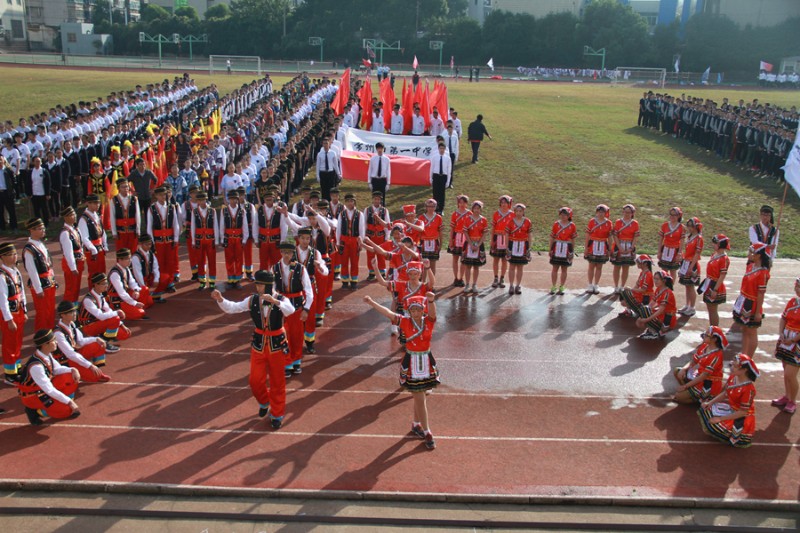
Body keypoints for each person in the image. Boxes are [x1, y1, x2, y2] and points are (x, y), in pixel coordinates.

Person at [211, 270, 295, 429]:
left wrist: (275, 302)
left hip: (276, 344)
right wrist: (221, 300)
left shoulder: (281, 299)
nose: (257, 287)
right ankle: (264, 402)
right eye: (257, 284)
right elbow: (233, 308)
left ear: (268, 285)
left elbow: (290, 310)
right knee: (255, 380)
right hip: (258, 344)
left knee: (278, 382)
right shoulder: (253, 300)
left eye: (260, 284)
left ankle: (277, 414)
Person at [364, 292, 439, 450]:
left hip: (426, 361)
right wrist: (371, 302)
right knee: (419, 397)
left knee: (421, 396)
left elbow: (433, 313)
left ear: (422, 310)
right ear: (409, 311)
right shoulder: (405, 322)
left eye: (418, 310)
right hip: (412, 362)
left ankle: (416, 424)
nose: (416, 313)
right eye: (413, 311)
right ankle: (427, 431)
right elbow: (389, 313)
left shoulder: (428, 322)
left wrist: (431, 300)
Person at [17, 329, 80, 425]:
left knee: (70, 376)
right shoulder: (36, 367)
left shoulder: (47, 354)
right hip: (33, 395)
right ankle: (34, 411)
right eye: (53, 340)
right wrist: (69, 402)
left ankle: (60, 402)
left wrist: (72, 369)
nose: (56, 342)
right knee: (66, 410)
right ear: (45, 345)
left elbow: (57, 369)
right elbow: (49, 390)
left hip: (41, 389)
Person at [698, 353, 759, 448]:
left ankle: (736, 435)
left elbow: (742, 412)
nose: (731, 368)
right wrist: (710, 403)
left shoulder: (748, 389)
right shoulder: (733, 378)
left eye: (735, 366)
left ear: (744, 370)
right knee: (705, 409)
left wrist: (720, 419)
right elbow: (725, 393)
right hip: (731, 410)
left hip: (741, 417)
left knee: (714, 425)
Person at [273, 241, 314, 377]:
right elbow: (271, 288)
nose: (286, 255)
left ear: (293, 254)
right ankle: (287, 363)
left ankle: (296, 361)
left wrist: (306, 309)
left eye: (289, 252)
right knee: (283, 336)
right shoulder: (274, 268)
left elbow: (308, 291)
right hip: (281, 308)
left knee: (296, 336)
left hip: (296, 307)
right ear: (280, 252)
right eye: (284, 252)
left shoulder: (300, 269)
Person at [53, 301, 110, 383]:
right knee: (94, 377)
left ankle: (98, 370)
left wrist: (96, 339)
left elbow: (81, 340)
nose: (75, 313)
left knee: (98, 344)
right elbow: (70, 354)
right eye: (71, 312)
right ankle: (90, 373)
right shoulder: (58, 333)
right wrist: (89, 365)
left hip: (75, 355)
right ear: (63, 315)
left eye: (74, 311)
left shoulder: (71, 324)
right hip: (66, 361)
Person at [733, 242, 771, 357]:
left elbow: (761, 294)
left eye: (752, 252)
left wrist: (758, 311)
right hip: (744, 300)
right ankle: (743, 355)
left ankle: (748, 358)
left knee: (751, 331)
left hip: (752, 303)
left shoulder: (763, 273)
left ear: (758, 255)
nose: (749, 254)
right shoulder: (750, 266)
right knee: (744, 330)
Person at [673, 326, 727, 404]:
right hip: (699, 376)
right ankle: (692, 393)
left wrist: (685, 386)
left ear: (714, 339)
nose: (704, 336)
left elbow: (704, 376)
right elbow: (694, 361)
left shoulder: (716, 355)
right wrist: (684, 369)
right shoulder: (704, 346)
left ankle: (701, 399)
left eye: (707, 335)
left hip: (708, 383)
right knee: (677, 371)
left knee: (679, 396)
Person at [78, 273, 129, 351]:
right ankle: (105, 342)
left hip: (98, 323)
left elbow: (108, 310)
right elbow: (100, 316)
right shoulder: (88, 300)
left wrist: (121, 324)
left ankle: (102, 335)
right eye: (103, 284)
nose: (106, 285)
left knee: (124, 334)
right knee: (115, 318)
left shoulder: (100, 296)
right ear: (96, 285)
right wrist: (117, 313)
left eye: (106, 283)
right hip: (89, 326)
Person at [772, 277, 800, 415]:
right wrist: (781, 333)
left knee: (791, 373)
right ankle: (787, 396)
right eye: (797, 286)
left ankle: (793, 401)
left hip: (797, 343)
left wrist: (794, 339)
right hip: (786, 339)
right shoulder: (792, 301)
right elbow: (783, 318)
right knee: (785, 370)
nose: (797, 289)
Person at [23, 218, 57, 331]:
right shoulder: (29, 249)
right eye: (40, 228)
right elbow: (32, 271)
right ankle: (42, 336)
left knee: (50, 310)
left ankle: (50, 332)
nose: (43, 230)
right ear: (32, 230)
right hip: (42, 285)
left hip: (49, 282)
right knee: (43, 312)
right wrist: (38, 289)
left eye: (43, 228)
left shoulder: (40, 244)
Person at [0, 242, 27, 384]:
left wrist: (25, 309)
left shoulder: (15, 271)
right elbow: (2, 300)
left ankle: (17, 366)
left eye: (15, 254)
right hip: (10, 313)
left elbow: (21, 292)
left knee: (18, 341)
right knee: (10, 342)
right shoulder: (2, 276)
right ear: (2, 257)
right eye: (10, 254)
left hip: (19, 311)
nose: (14, 256)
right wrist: (9, 319)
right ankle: (10, 374)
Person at [146, 186, 180, 294]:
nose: (163, 197)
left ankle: (170, 283)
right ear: (156, 196)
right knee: (159, 262)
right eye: (160, 195)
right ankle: (161, 282)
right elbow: (149, 226)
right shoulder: (152, 209)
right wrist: (151, 241)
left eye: (164, 194)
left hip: (169, 239)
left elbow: (175, 223)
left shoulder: (171, 207)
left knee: (170, 262)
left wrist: (175, 238)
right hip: (158, 240)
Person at [107, 248, 147, 320]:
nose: (130, 261)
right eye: (127, 259)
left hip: (125, 294)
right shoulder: (115, 274)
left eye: (130, 258)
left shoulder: (126, 268)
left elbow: (132, 282)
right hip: (117, 299)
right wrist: (134, 303)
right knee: (140, 313)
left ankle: (133, 307)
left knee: (144, 290)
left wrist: (136, 290)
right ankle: (117, 311)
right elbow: (121, 293)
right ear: (120, 260)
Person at [635, 270, 677, 340]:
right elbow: (652, 303)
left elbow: (660, 310)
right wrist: (645, 310)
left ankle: (656, 332)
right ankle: (652, 329)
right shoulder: (658, 289)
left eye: (657, 279)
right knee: (642, 315)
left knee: (644, 317)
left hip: (668, 318)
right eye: (654, 278)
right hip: (662, 314)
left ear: (664, 280)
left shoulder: (667, 293)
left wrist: (647, 319)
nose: (655, 281)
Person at [190, 191, 219, 290]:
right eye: (200, 200)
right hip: (199, 239)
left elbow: (215, 225)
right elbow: (193, 225)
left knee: (212, 260)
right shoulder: (194, 211)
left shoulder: (212, 211)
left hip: (210, 239)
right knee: (200, 260)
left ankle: (212, 281)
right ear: (197, 201)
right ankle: (202, 281)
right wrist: (193, 240)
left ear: (206, 200)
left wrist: (216, 240)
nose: (202, 202)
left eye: (203, 200)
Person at [700, 234, 730, 327]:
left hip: (715, 285)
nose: (713, 244)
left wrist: (715, 289)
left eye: (715, 243)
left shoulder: (724, 259)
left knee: (713, 310)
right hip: (709, 283)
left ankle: (714, 330)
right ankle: (712, 328)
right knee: (710, 309)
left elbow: (722, 275)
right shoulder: (715, 254)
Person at [336, 193, 365, 289]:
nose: (349, 203)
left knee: (354, 262)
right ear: (345, 202)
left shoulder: (359, 214)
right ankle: (344, 282)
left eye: (351, 201)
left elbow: (362, 229)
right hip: (344, 240)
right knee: (344, 262)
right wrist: (338, 241)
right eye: (348, 201)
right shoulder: (341, 214)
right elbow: (338, 228)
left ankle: (354, 282)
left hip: (354, 240)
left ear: (354, 202)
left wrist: (361, 241)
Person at [78, 193, 108, 284]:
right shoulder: (84, 219)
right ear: (88, 203)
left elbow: (102, 232)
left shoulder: (97, 216)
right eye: (94, 203)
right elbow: (84, 237)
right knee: (94, 272)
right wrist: (92, 249)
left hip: (100, 247)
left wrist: (105, 244)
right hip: (92, 249)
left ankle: (102, 290)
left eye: (98, 203)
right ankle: (93, 290)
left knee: (102, 270)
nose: (97, 205)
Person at [58, 206, 85, 305]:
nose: (74, 216)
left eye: (74, 214)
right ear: (66, 217)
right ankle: (68, 306)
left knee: (77, 286)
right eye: (72, 215)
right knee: (71, 287)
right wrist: (73, 267)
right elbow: (68, 252)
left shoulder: (75, 229)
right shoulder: (65, 233)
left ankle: (74, 303)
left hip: (79, 261)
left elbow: (80, 245)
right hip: (72, 263)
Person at [131, 234, 168, 306]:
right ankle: (145, 296)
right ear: (140, 244)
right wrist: (144, 287)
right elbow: (137, 274)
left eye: (150, 244)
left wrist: (156, 280)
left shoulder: (151, 254)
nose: (149, 246)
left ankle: (155, 296)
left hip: (148, 278)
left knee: (165, 277)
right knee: (148, 303)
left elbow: (155, 267)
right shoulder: (136, 257)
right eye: (146, 244)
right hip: (139, 282)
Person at [678, 217, 704, 318]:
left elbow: (697, 254)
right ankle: (687, 305)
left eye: (691, 226)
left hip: (692, 264)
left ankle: (692, 307)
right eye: (688, 226)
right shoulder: (689, 237)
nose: (689, 228)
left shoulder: (699, 239)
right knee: (687, 286)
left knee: (691, 286)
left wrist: (691, 267)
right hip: (686, 262)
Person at [610, 204, 639, 294]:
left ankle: (622, 286)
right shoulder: (618, 222)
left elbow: (635, 237)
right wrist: (619, 247)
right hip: (619, 245)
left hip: (629, 246)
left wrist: (631, 247)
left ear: (632, 213)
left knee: (626, 267)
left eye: (629, 212)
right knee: (617, 267)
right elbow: (615, 235)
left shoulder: (635, 223)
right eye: (625, 212)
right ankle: (616, 286)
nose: (626, 214)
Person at [461, 200, 488, 295]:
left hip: (479, 244)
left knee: (476, 266)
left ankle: (474, 284)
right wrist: (471, 244)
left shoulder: (483, 220)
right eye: (475, 208)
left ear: (481, 210)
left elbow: (484, 234)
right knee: (468, 266)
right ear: (472, 209)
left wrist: (479, 244)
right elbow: (465, 232)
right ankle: (467, 284)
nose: (476, 210)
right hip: (469, 243)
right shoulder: (468, 219)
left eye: (478, 208)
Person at [584, 204, 612, 295]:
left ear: (605, 213)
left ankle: (596, 284)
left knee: (599, 266)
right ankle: (590, 284)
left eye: (602, 212)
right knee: (591, 265)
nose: (600, 214)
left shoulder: (609, 223)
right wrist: (586, 248)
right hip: (593, 244)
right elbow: (587, 235)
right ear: (597, 212)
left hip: (603, 245)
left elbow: (609, 237)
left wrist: (610, 249)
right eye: (599, 212)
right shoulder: (592, 221)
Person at [549, 207, 577, 295]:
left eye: (565, 215)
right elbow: (552, 237)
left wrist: (572, 251)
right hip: (556, 246)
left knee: (564, 268)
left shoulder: (572, 226)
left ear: (569, 216)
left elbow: (573, 239)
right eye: (562, 214)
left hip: (567, 247)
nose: (563, 216)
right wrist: (550, 249)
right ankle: (553, 286)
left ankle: (562, 286)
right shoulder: (556, 224)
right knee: (555, 268)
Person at [505, 203, 532, 295]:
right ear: (514, 211)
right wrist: (507, 246)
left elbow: (529, 235)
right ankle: (511, 285)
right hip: (513, 244)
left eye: (520, 211)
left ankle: (518, 285)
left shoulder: (527, 221)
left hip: (523, 245)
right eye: (517, 211)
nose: (518, 213)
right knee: (512, 266)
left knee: (520, 267)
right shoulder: (510, 222)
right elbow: (507, 234)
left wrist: (529, 247)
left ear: (523, 211)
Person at [364, 191, 390, 281]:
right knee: (370, 254)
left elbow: (387, 224)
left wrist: (387, 237)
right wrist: (364, 236)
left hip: (380, 236)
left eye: (378, 199)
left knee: (381, 254)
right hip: (370, 235)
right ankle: (371, 273)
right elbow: (364, 224)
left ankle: (382, 272)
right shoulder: (367, 210)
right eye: (375, 199)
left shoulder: (384, 210)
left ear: (380, 200)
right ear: (372, 199)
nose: (377, 201)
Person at [109, 178, 140, 253]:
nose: (125, 188)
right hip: (120, 230)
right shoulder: (114, 200)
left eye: (127, 186)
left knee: (133, 250)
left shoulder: (134, 199)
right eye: (123, 187)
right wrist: (114, 232)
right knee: (121, 251)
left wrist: (138, 229)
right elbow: (112, 216)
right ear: (118, 188)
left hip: (132, 229)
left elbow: (137, 215)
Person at [489, 195, 513, 289]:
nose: (503, 204)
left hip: (507, 239)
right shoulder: (496, 214)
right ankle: (495, 277)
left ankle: (502, 278)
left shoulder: (512, 214)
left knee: (504, 260)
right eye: (502, 203)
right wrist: (492, 240)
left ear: (509, 204)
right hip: (497, 238)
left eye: (505, 203)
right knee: (496, 259)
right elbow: (493, 228)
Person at [447, 194, 470, 287]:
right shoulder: (454, 214)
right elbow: (452, 228)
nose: (461, 204)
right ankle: (456, 277)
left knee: (463, 259)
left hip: (465, 237)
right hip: (456, 236)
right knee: (455, 258)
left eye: (463, 202)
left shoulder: (469, 214)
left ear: (466, 203)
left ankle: (461, 278)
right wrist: (450, 239)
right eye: (460, 202)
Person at [657, 207, 685, 281]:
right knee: (664, 270)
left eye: (674, 215)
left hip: (675, 250)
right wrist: (659, 251)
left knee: (673, 271)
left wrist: (679, 253)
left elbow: (682, 242)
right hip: (665, 249)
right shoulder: (665, 225)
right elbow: (661, 240)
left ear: (679, 216)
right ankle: (664, 286)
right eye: (671, 214)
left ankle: (670, 287)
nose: (672, 216)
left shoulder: (681, 227)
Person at [417, 199, 444, 276]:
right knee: (424, 264)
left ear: (435, 207)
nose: (431, 208)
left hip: (434, 242)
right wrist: (418, 243)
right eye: (429, 206)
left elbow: (440, 232)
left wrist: (441, 243)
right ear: (426, 207)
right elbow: (419, 232)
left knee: (433, 264)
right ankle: (423, 283)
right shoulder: (421, 217)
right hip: (424, 242)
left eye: (433, 206)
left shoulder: (438, 218)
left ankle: (431, 284)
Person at [24, 156, 51, 223]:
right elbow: (27, 183)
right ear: (33, 162)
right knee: (36, 209)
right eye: (36, 161)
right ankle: (38, 222)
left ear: (41, 162)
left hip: (43, 194)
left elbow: (48, 183)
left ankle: (46, 222)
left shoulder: (44, 171)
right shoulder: (30, 172)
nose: (38, 163)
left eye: (39, 161)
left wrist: (48, 194)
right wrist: (29, 193)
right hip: (34, 194)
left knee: (44, 209)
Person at [316, 137, 341, 201]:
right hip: (323, 173)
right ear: (322, 144)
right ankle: (324, 202)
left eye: (327, 143)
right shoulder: (320, 154)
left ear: (329, 144)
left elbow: (335, 164)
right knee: (324, 189)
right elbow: (318, 165)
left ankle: (331, 202)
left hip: (330, 173)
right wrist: (318, 176)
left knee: (331, 189)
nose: (325, 145)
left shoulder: (333, 153)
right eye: (324, 143)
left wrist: (338, 174)